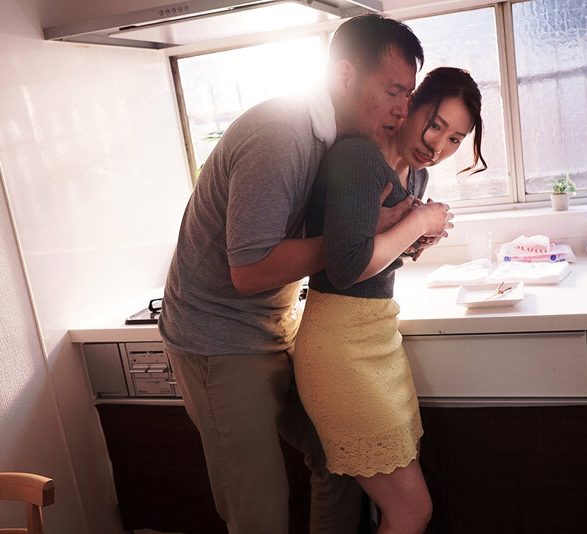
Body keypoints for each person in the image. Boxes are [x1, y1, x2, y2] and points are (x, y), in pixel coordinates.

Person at [158, 14, 447, 534]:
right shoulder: (282, 134)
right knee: (260, 511)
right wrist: (354, 239)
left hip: (280, 326)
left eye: (409, 95)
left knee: (340, 463)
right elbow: (249, 272)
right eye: (392, 91)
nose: (403, 109)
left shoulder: (335, 141)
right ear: (344, 76)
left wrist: (387, 233)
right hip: (218, 339)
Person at [293, 67, 486, 534]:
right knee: (411, 511)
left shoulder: (415, 177)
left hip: (380, 335)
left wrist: (414, 239)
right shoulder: (358, 157)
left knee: (396, 503)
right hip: (339, 347)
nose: (437, 146)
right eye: (435, 124)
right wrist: (417, 225)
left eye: (455, 139)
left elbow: (378, 250)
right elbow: (348, 267)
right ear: (411, 102)